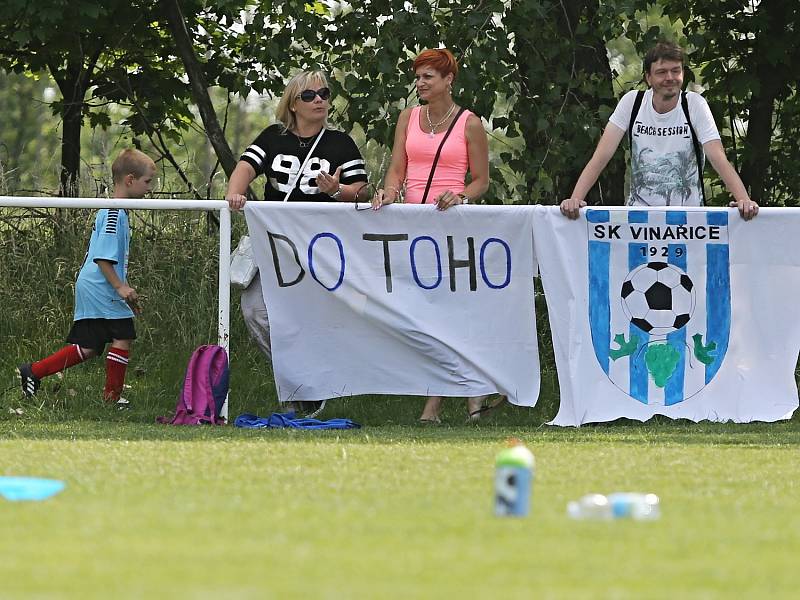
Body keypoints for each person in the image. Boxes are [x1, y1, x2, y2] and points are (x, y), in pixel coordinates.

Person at [226, 70, 369, 413]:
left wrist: (336, 190)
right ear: (293, 103)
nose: (319, 99)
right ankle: (302, 384)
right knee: (256, 311)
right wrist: (234, 192)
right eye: (309, 95)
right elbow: (246, 166)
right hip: (275, 241)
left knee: (317, 317)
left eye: (324, 93)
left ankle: (309, 389)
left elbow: (363, 191)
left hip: (322, 245)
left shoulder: (340, 143)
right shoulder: (273, 137)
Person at [371, 48, 499, 423]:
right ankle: (473, 393)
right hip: (413, 227)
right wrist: (389, 193)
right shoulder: (408, 117)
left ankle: (436, 404)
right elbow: (397, 168)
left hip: (451, 226)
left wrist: (459, 195)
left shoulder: (469, 123)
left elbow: (481, 181)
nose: (420, 83)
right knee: (425, 318)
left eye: (428, 77)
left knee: (448, 316)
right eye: (419, 76)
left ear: (448, 81)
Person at [560, 41, 759, 220]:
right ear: (648, 77)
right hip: (639, 220)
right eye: (662, 72)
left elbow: (718, 157)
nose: (670, 78)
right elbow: (601, 156)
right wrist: (575, 199)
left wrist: (744, 200)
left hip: (688, 221)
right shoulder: (632, 102)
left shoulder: (694, 105)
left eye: (676, 71)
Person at [18, 149, 156, 402]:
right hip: (100, 286)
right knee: (123, 336)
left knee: (90, 347)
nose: (151, 189)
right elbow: (102, 257)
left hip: (97, 285)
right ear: (129, 180)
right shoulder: (113, 212)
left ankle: (33, 371)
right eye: (147, 182)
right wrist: (120, 288)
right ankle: (112, 399)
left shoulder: (118, 211)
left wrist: (122, 286)